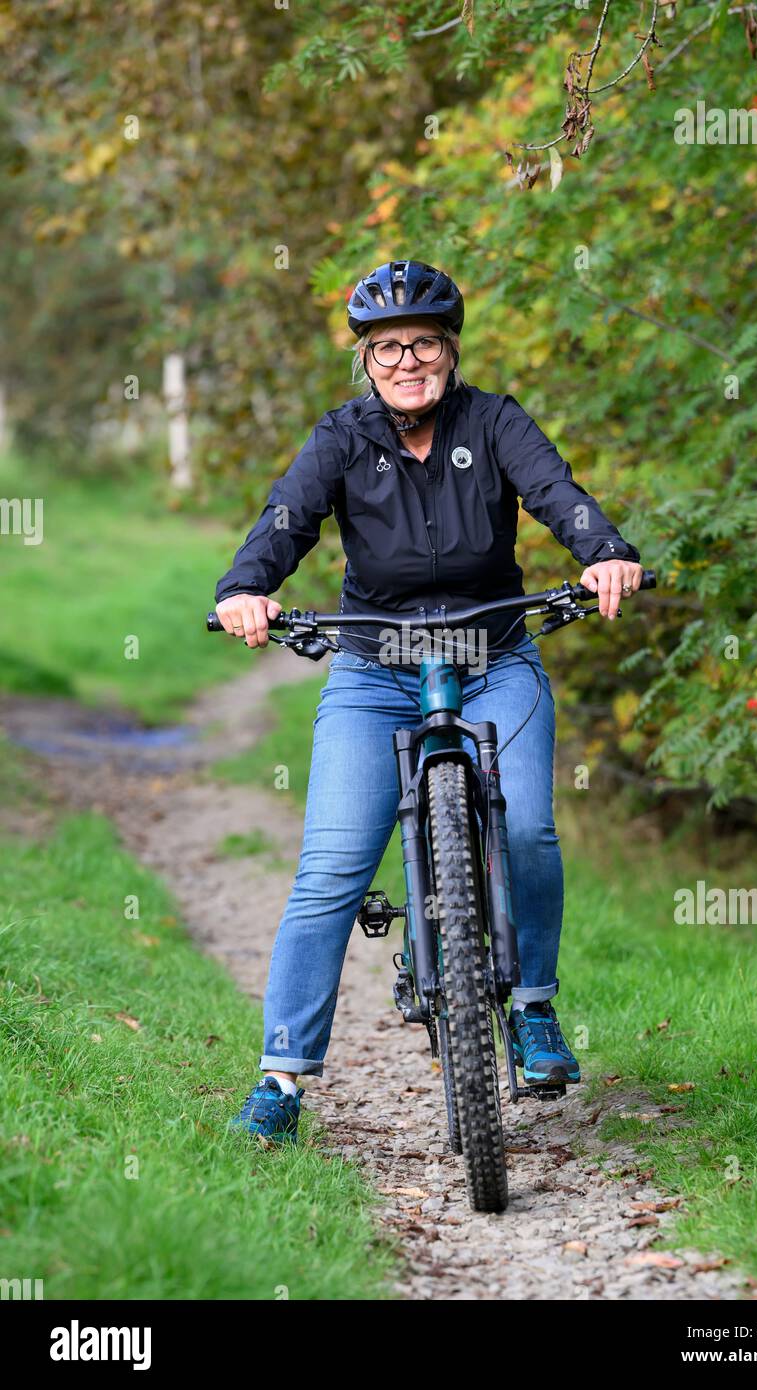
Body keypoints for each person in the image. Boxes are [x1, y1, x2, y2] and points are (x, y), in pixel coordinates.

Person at [214, 259, 642, 1144]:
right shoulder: (340, 437)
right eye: (385, 348)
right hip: (377, 672)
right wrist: (246, 588)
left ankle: (531, 1008)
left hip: (494, 661)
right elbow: (285, 521)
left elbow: (559, 495)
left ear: (449, 348)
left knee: (524, 826)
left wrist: (603, 550)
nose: (406, 361)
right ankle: (282, 1081)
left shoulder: (493, 421)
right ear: (364, 359)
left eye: (423, 343)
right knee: (333, 863)